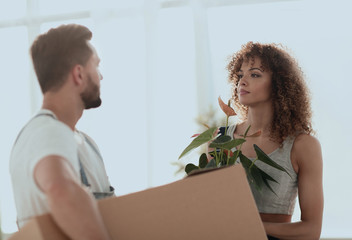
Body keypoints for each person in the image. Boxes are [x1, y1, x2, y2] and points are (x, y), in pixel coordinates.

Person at [9, 24, 114, 240]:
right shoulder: (47, 132)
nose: (101, 76)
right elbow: (60, 189)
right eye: (96, 65)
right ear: (79, 74)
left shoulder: (84, 142)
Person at [224, 42, 323, 240]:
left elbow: (311, 231)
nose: (242, 81)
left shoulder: (302, 146)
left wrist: (250, 226)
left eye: (255, 74)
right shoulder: (219, 141)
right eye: (240, 75)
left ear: (279, 84)